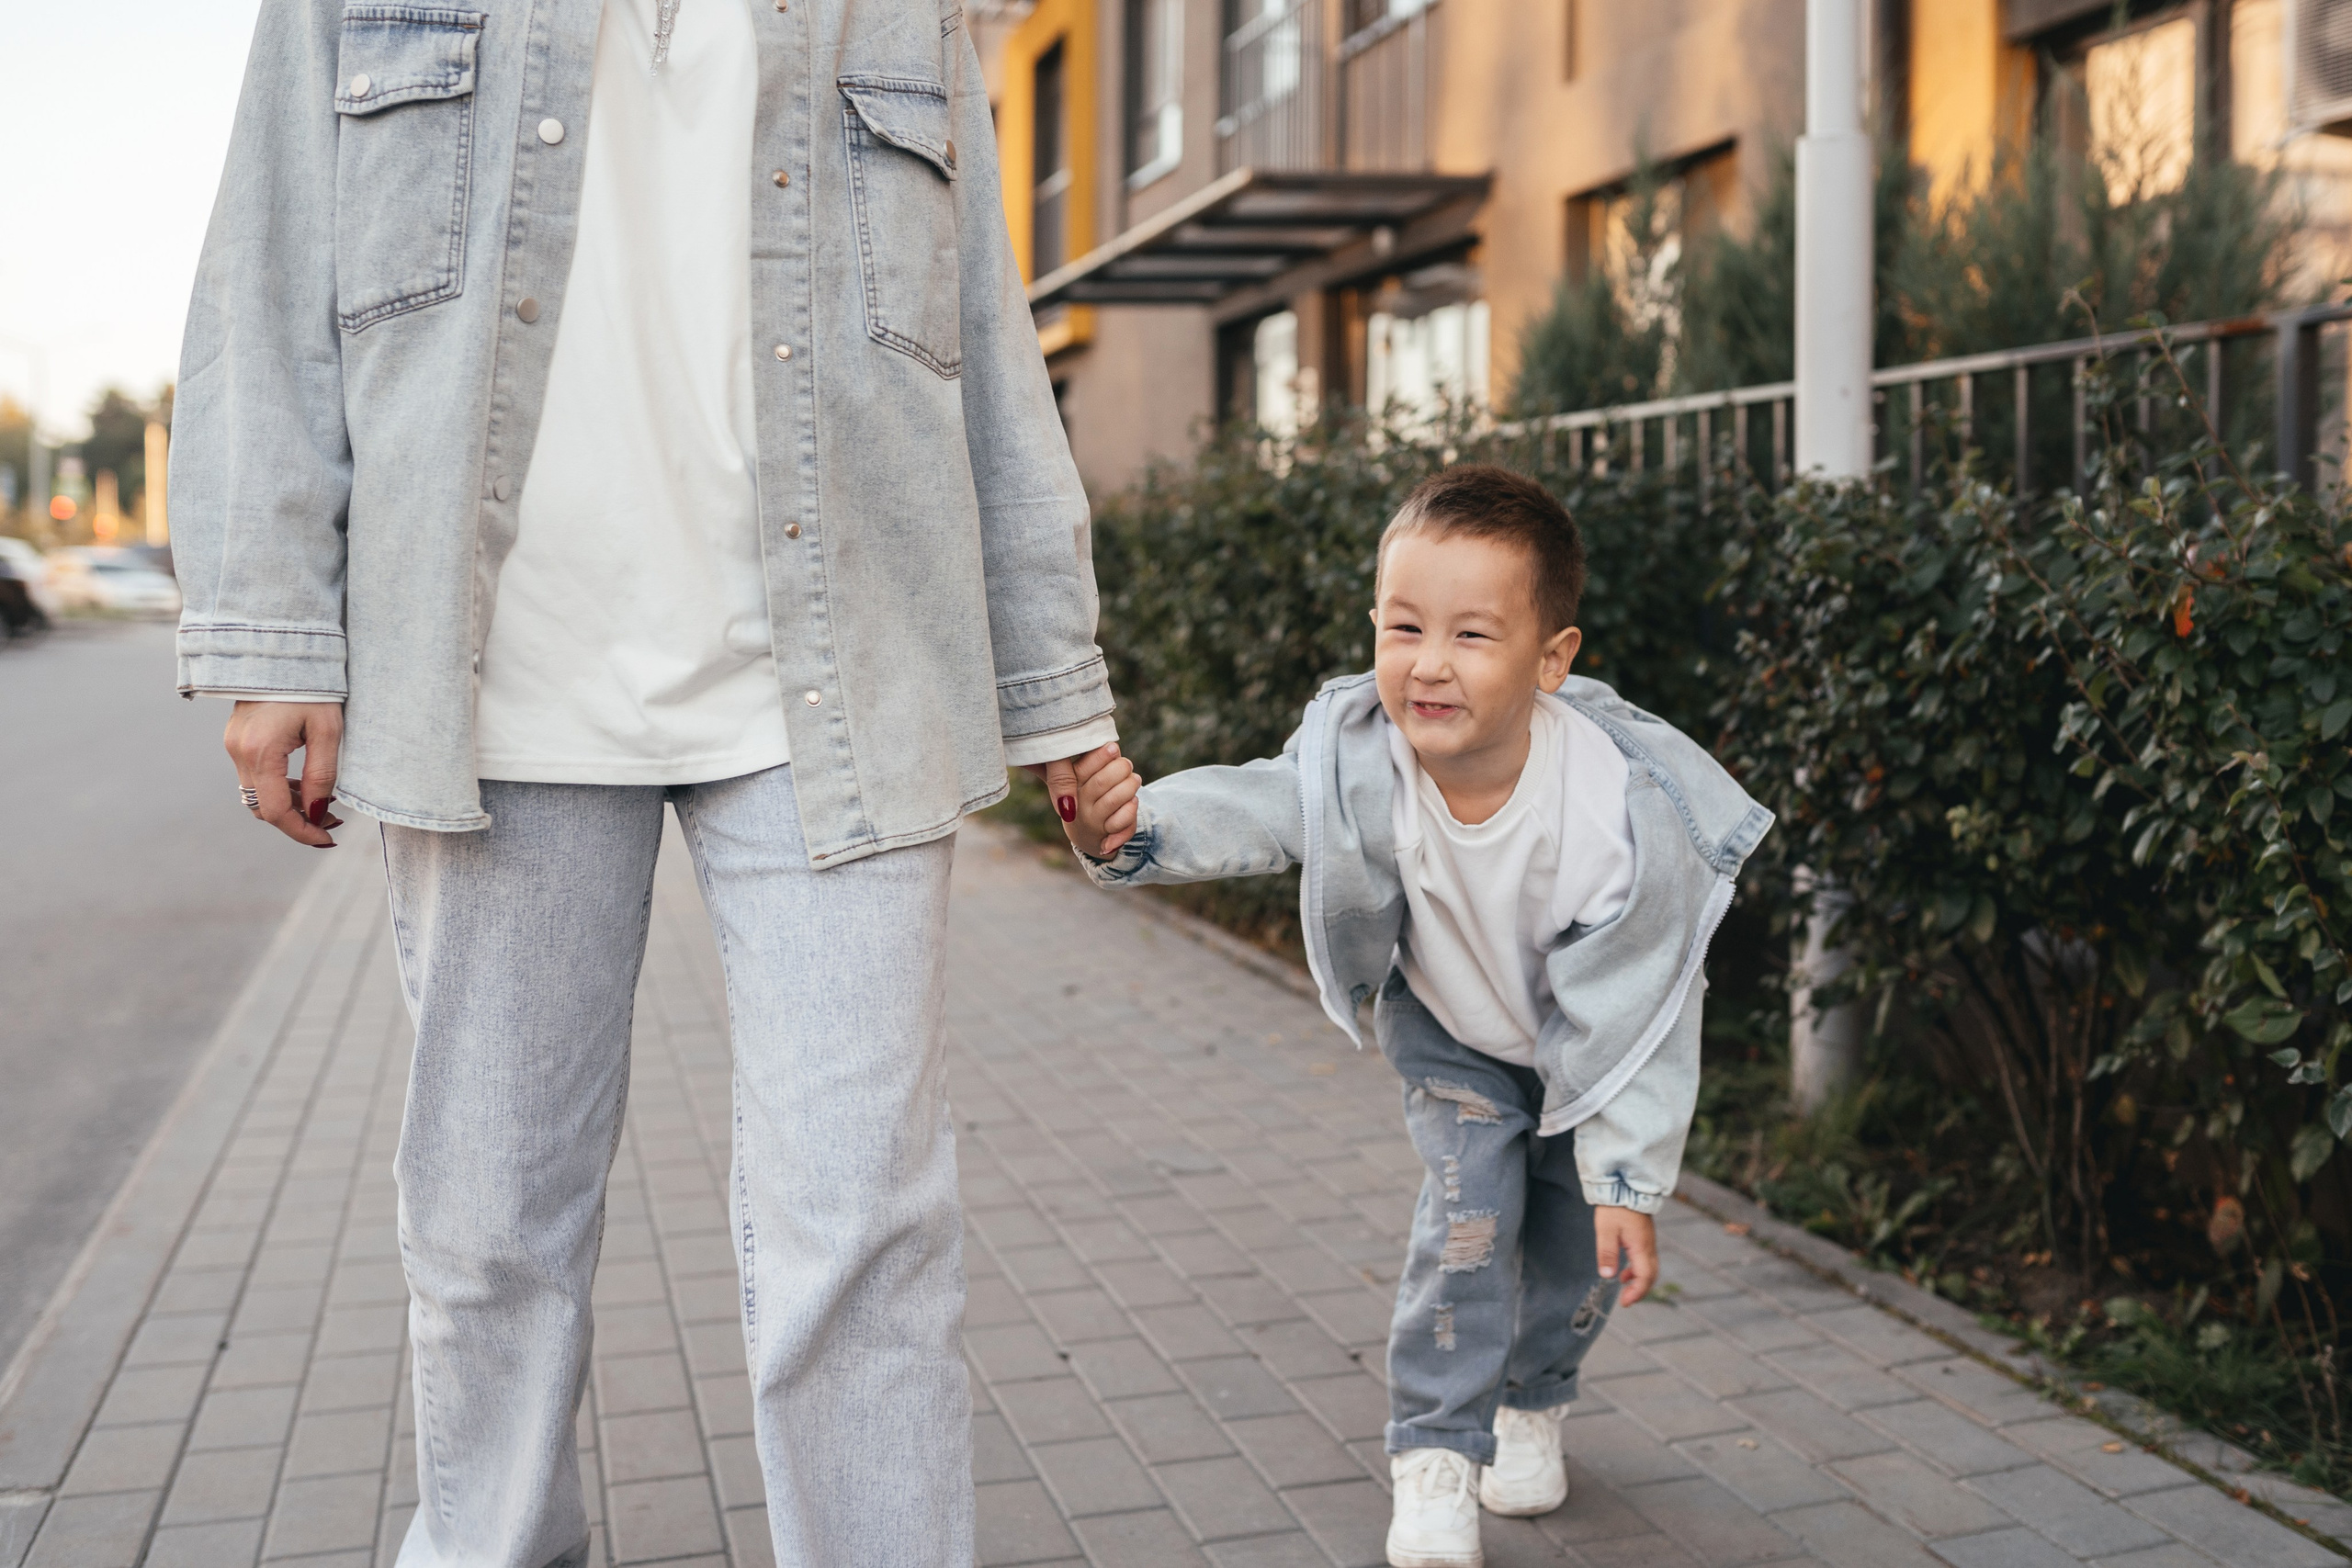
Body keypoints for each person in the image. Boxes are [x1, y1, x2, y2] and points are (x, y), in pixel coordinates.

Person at [174, 3, 1115, 1564]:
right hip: (494, 683)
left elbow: (985, 337)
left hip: (841, 671)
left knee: (867, 1226)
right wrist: (277, 627)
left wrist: (1054, 681)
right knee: (487, 1232)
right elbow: (266, 277)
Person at [1062, 466, 1771, 1568]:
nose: (1427, 664)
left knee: (1576, 1250)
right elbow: (1263, 803)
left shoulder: (1617, 815)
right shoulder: (1363, 755)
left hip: (1588, 1060)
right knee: (1469, 1220)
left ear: (1551, 660)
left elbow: (1650, 1000)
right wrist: (1136, 831)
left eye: (1472, 636)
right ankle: (1435, 1449)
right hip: (1452, 1041)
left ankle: (1533, 1403)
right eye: (1403, 626)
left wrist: (1628, 1184)